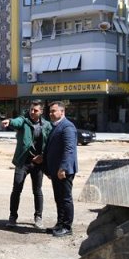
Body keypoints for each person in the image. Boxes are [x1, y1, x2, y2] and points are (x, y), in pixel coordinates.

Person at [2, 100, 52, 229]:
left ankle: (38, 217)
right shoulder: (23, 120)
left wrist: (43, 157)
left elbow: (49, 144)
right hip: (23, 161)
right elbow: (16, 122)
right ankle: (13, 217)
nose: (32, 112)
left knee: (37, 191)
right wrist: (9, 121)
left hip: (38, 163)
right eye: (31, 109)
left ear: (41, 111)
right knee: (16, 189)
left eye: (35, 110)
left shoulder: (46, 125)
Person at [43, 101, 78, 237]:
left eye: (54, 111)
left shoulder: (67, 127)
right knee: (59, 198)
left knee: (65, 198)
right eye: (50, 111)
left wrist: (63, 168)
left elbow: (69, 150)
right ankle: (60, 223)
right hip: (56, 170)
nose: (51, 114)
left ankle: (67, 227)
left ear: (62, 112)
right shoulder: (56, 126)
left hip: (64, 171)